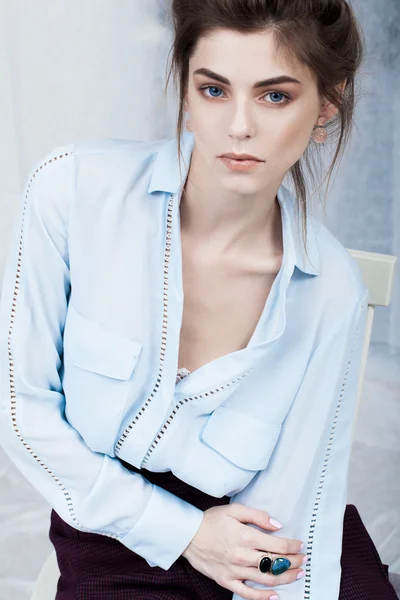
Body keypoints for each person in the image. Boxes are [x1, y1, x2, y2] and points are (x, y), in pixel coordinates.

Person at [0, 1, 397, 599]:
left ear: (327, 106)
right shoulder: (73, 192)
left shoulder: (329, 292)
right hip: (111, 535)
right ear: (185, 90)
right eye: (214, 90)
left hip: (258, 541)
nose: (239, 126)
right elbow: (20, 411)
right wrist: (185, 532)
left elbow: (292, 517)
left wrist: (263, 579)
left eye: (275, 96)